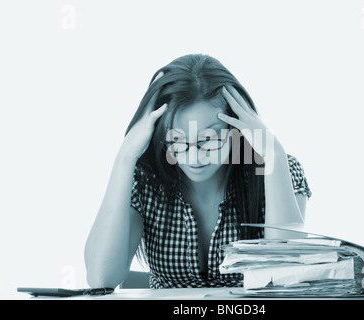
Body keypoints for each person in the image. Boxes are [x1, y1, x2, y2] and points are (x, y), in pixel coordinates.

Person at [84, 54, 312, 289]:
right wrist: (125, 156)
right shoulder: (145, 180)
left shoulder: (278, 170)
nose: (193, 157)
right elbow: (101, 279)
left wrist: (273, 153)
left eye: (209, 140)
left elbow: (285, 276)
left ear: (236, 128)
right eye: (176, 140)